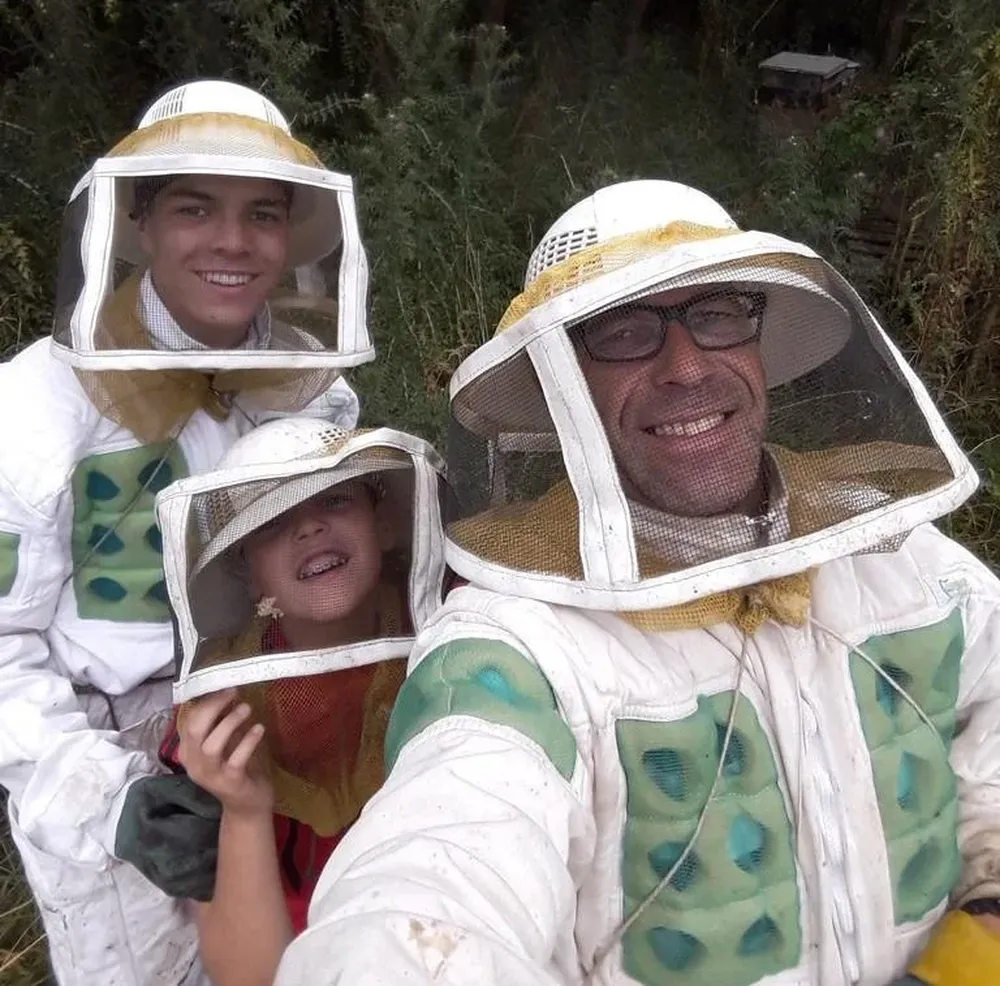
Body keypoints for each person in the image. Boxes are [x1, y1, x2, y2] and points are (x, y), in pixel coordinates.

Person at [274, 180, 1000, 986]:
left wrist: (981, 933)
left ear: (759, 343)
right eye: (623, 332)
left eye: (717, 315)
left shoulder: (904, 557)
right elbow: (441, 859)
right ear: (565, 387)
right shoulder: (514, 645)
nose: (686, 367)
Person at [0, 79, 373, 986]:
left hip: (280, 730)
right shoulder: (31, 411)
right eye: (194, 208)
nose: (232, 242)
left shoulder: (312, 390)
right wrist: (109, 800)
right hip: (110, 755)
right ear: (137, 221)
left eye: (262, 214)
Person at [152, 416, 447, 986]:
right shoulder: (219, 719)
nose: (310, 526)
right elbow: (252, 976)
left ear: (384, 523)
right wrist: (243, 810)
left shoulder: (455, 633)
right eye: (271, 520)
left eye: (334, 499)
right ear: (248, 573)